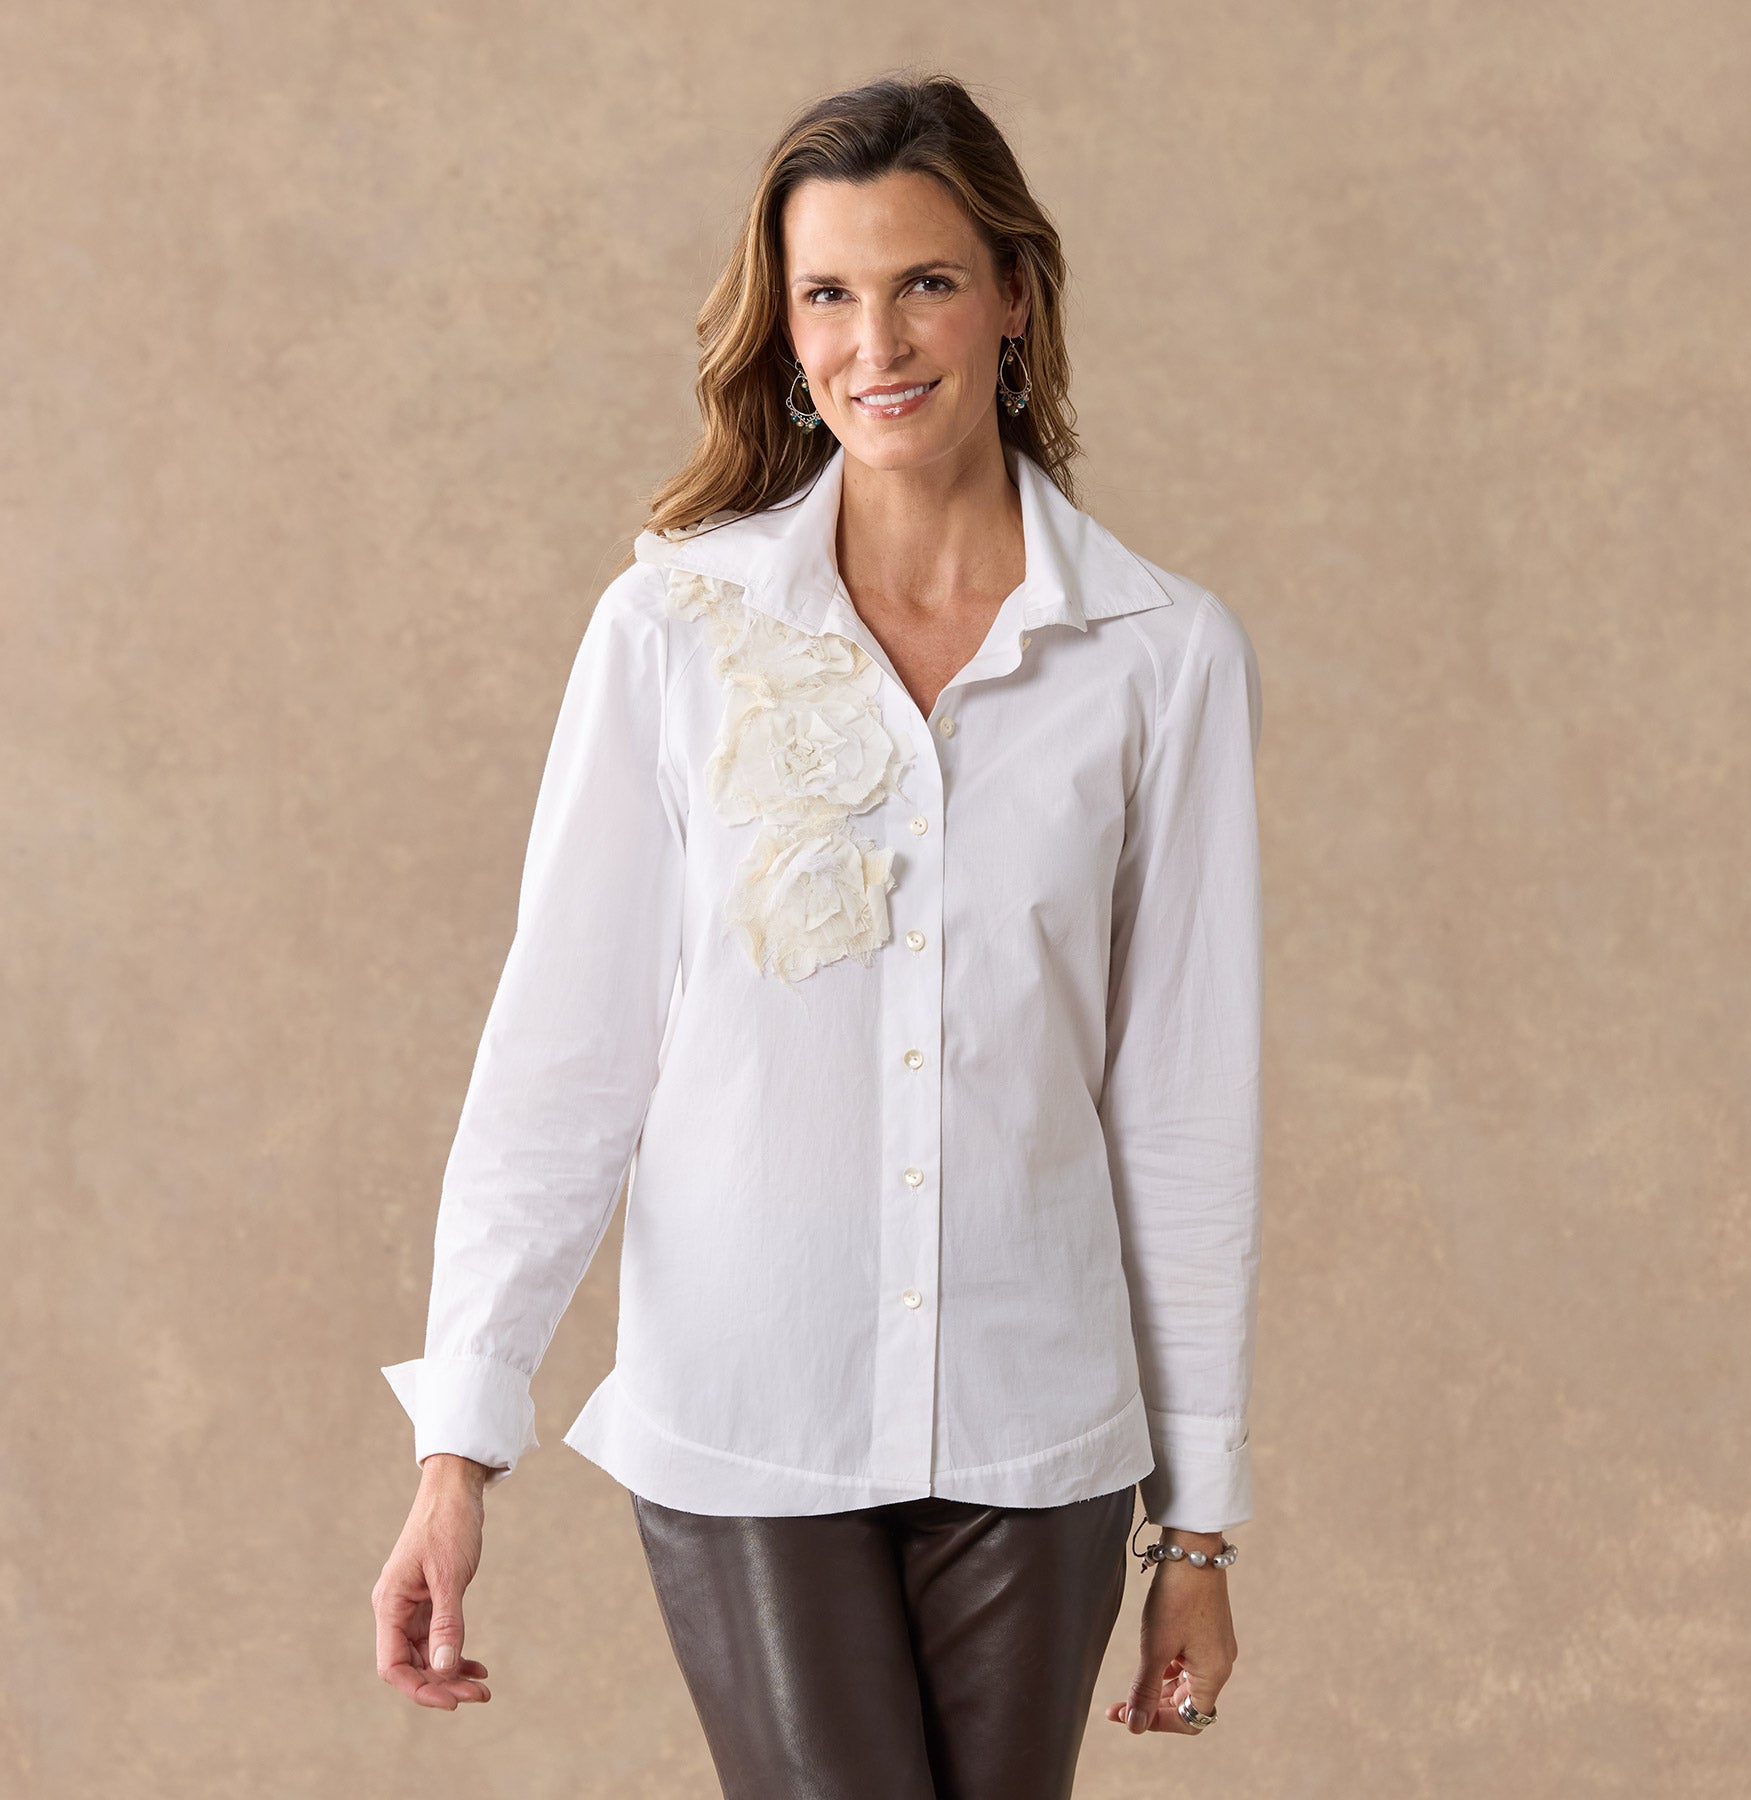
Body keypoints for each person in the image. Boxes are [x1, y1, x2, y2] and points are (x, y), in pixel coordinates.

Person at [372, 71, 1264, 1800]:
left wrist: (1199, 1529)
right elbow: (566, 1057)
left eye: (926, 282)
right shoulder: (671, 633)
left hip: (1039, 1428)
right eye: (830, 294)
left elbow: (1182, 1109)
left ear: (1014, 296)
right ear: (784, 329)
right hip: (744, 1411)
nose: (879, 342)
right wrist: (456, 1448)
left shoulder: (1163, 657)